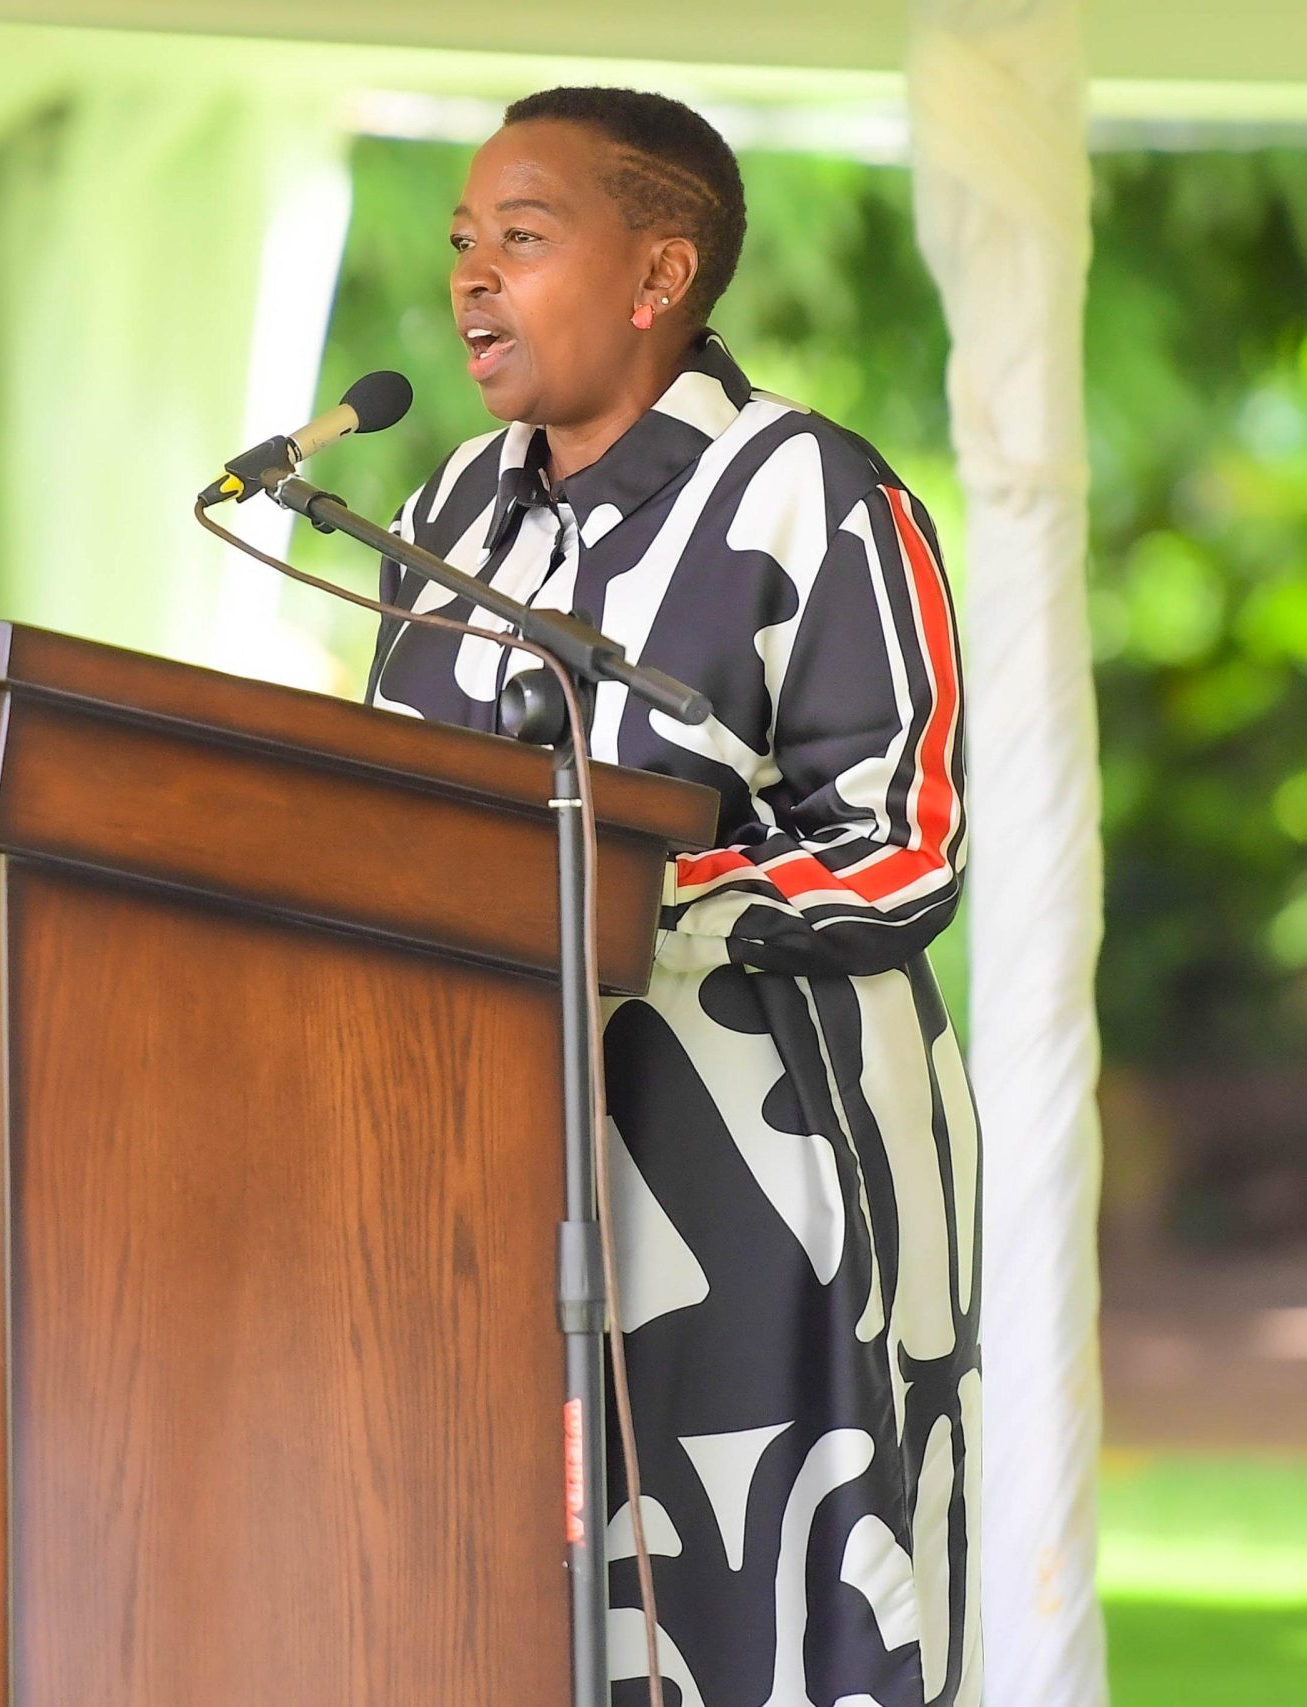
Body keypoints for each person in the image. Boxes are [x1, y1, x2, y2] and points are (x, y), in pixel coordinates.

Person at [364, 87, 982, 1707]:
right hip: (503, 1171)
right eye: (461, 243)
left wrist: (629, 903)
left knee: (789, 1612)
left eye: (522, 237)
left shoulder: (812, 494)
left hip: (774, 1187)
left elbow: (903, 838)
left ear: (658, 278)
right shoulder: (435, 519)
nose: (473, 280)